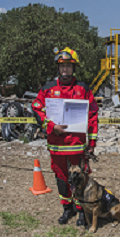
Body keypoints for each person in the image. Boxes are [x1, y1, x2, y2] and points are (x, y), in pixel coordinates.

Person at [32, 47, 99, 225]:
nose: (65, 70)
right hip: (56, 146)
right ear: (58, 68)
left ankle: (82, 210)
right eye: (62, 66)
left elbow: (93, 115)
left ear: (74, 68)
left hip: (77, 145)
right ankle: (67, 209)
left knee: (80, 178)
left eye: (69, 66)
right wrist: (51, 126)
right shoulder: (48, 89)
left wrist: (92, 143)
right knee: (61, 177)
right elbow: (36, 108)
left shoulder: (83, 89)